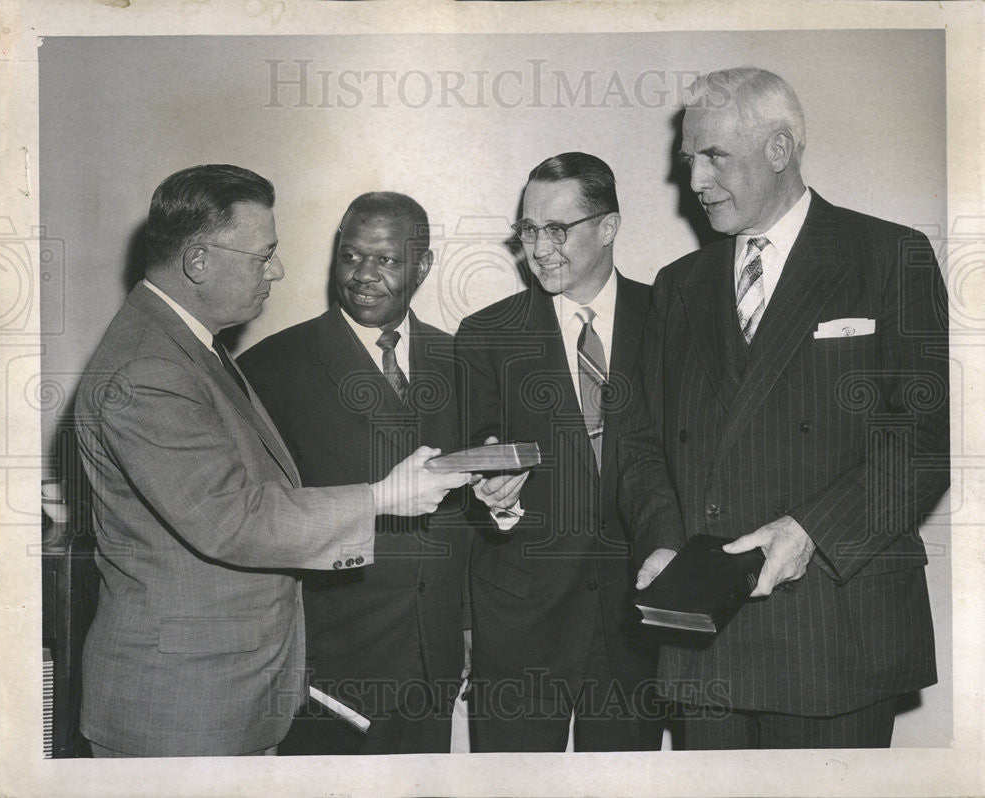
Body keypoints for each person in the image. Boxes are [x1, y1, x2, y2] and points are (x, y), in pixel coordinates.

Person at [73, 166, 469, 757]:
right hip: (186, 704)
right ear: (200, 260)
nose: (277, 270)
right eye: (263, 256)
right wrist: (382, 497)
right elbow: (233, 518)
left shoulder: (190, 350)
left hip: (233, 690)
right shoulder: (149, 370)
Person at [620, 67, 950, 749]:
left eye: (715, 157)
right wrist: (659, 543)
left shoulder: (888, 256)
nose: (695, 181)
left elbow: (924, 444)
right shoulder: (678, 286)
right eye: (690, 161)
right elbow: (643, 445)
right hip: (705, 641)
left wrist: (809, 533)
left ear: (778, 149)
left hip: (835, 631)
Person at [238, 192, 471, 754]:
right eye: (350, 255)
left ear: (423, 265)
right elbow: (251, 520)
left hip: (434, 662)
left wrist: (466, 627)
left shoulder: (465, 360)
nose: (363, 275)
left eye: (386, 260)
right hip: (326, 668)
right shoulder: (269, 369)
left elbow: (469, 517)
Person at [454, 152, 663, 752]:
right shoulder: (487, 334)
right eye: (527, 229)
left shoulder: (670, 317)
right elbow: (474, 470)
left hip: (637, 622)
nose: (539, 248)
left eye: (556, 229)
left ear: (608, 227)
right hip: (520, 624)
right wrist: (496, 498)